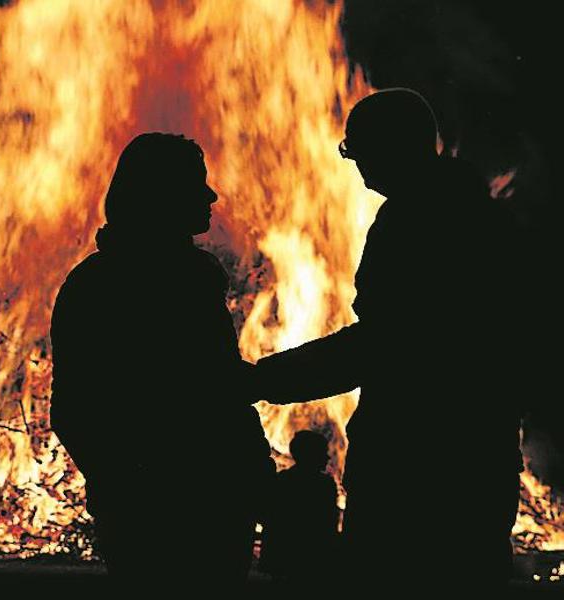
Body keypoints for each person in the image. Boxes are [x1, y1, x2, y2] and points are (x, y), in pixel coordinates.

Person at [253, 89, 525, 593]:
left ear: (389, 147)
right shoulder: (484, 218)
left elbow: (381, 347)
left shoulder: (415, 221)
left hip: (409, 477)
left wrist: (262, 380)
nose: (355, 163)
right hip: (480, 464)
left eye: (358, 150)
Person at [49, 132, 273, 587]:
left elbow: (220, 393)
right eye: (196, 183)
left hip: (200, 507)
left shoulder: (173, 279)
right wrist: (130, 486)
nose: (210, 195)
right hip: (169, 515)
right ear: (160, 194)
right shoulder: (112, 288)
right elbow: (79, 411)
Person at [259, 429, 338, 582]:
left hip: (283, 561)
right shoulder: (324, 486)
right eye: (323, 452)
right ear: (312, 454)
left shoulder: (283, 481)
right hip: (313, 562)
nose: (327, 457)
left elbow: (269, 518)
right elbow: (328, 527)